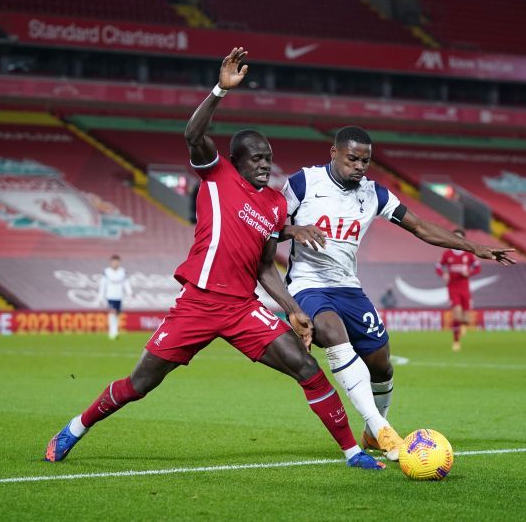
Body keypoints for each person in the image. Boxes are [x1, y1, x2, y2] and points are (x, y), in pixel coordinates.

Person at [44, 48, 384, 470]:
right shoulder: (216, 174)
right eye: (258, 158)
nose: (266, 165)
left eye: (269, 158)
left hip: (242, 308)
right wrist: (221, 89)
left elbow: (264, 267)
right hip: (199, 303)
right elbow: (194, 134)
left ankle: (353, 452)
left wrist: (294, 310)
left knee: (306, 368)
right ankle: (76, 427)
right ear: (237, 159)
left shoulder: (276, 205)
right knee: (140, 383)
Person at [281, 126, 516, 460]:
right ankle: (381, 429)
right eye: (352, 159)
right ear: (333, 153)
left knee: (382, 364)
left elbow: (419, 226)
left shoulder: (374, 193)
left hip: (349, 288)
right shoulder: (303, 183)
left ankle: (375, 433)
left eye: (366, 160)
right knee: (333, 333)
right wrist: (293, 229)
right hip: (308, 283)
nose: (360, 166)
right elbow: (267, 226)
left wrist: (473, 247)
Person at [436, 229, 480, 352]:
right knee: (457, 314)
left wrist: (469, 272)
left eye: (459, 237)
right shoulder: (447, 254)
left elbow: (477, 267)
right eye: (454, 237)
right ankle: (456, 342)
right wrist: (443, 274)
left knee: (466, 319)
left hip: (465, 287)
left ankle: (463, 326)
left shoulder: (468, 254)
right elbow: (438, 266)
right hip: (453, 287)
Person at [98, 255, 133, 340]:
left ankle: (115, 331)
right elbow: (103, 285)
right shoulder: (106, 272)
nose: (115, 263)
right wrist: (100, 296)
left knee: (117, 314)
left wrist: (130, 293)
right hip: (110, 296)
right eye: (114, 261)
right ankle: (112, 332)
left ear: (119, 262)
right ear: (111, 262)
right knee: (112, 313)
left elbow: (126, 284)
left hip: (119, 297)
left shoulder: (122, 272)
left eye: (117, 261)